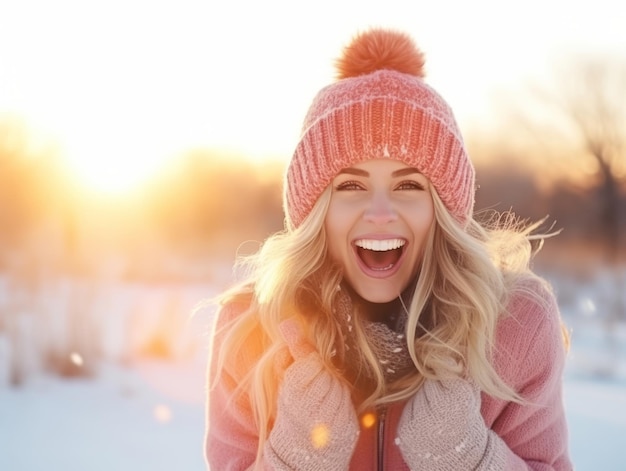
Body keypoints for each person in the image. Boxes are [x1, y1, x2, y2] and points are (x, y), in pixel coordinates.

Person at [204, 28, 572, 470]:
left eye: (410, 185)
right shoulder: (251, 332)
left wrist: (472, 460)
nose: (380, 213)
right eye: (352, 185)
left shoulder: (516, 325)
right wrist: (294, 459)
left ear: (444, 210)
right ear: (314, 209)